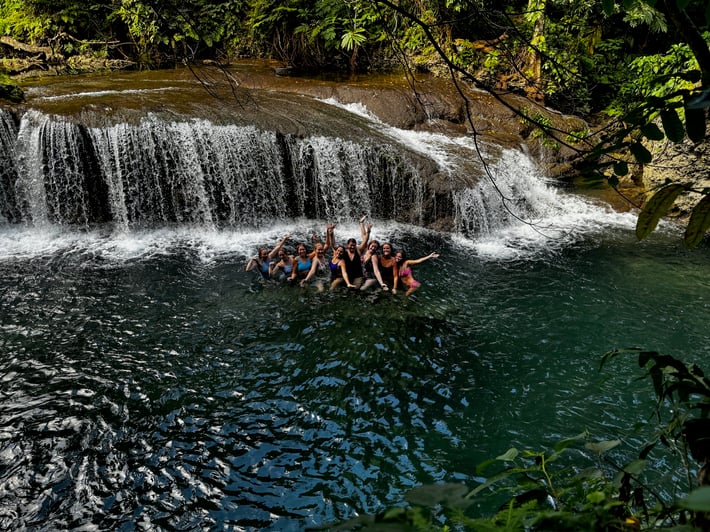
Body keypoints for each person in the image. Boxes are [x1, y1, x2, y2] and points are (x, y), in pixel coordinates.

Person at [341, 217, 371, 289]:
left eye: (354, 246)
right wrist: (330, 233)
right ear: (347, 245)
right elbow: (333, 246)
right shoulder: (344, 251)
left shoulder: (358, 250)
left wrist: (369, 231)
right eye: (350, 245)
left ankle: (361, 223)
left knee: (355, 289)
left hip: (358, 275)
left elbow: (365, 241)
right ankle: (361, 223)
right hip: (348, 275)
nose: (352, 247)